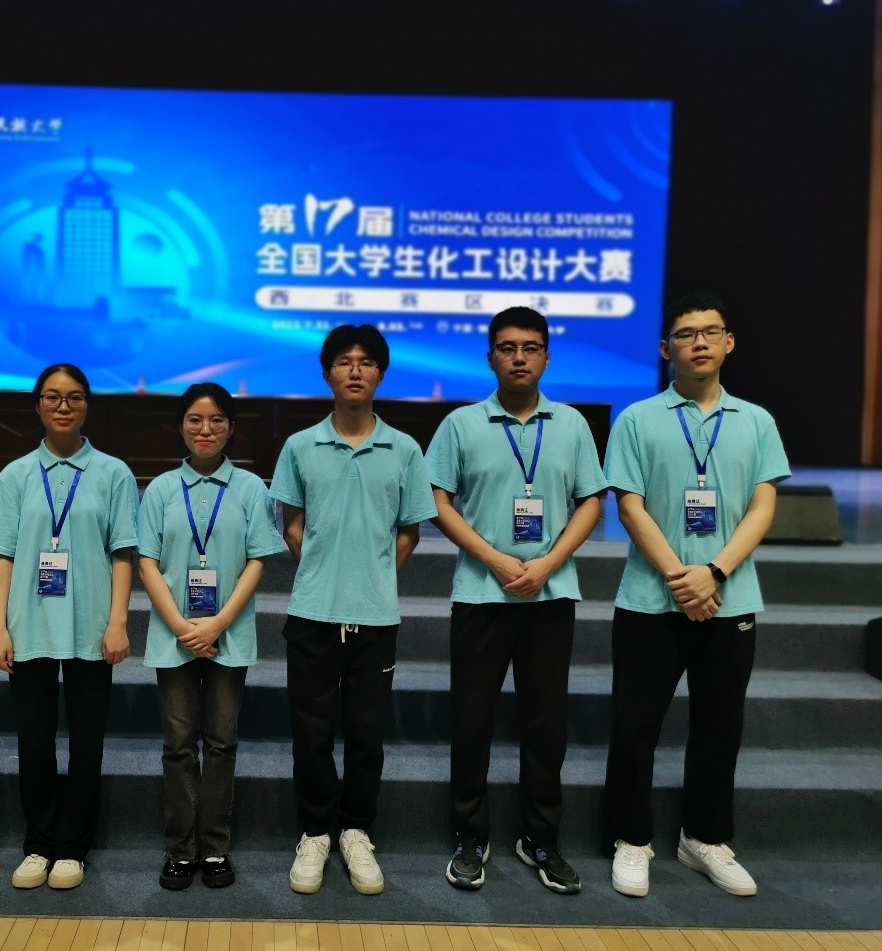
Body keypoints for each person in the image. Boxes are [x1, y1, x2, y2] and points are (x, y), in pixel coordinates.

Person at [601, 292, 790, 898]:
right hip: (650, 599)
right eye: (686, 334)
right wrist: (682, 578)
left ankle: (704, 838)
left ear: (729, 342)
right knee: (635, 726)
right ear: (666, 349)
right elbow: (629, 506)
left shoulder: (756, 421)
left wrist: (715, 572)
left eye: (711, 332)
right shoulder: (636, 419)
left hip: (730, 599)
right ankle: (632, 839)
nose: (700, 342)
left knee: (719, 726)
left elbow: (763, 505)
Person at [425, 307, 607, 895]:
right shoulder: (461, 424)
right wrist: (497, 560)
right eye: (507, 348)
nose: (519, 357)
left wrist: (548, 563)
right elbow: (437, 502)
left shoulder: (572, 424)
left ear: (547, 356)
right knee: (471, 721)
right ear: (490, 358)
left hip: (550, 595)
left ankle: (540, 838)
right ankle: (470, 835)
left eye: (531, 347)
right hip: (482, 593)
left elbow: (591, 501)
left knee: (545, 724)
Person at [268, 324, 437, 896]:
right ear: (327, 373)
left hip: (376, 618)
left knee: (367, 734)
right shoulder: (300, 446)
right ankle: (316, 831)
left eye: (366, 361)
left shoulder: (404, 449)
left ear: (380, 373)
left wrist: (372, 579)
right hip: (313, 613)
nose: (356, 370)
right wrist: (325, 572)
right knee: (311, 734)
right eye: (344, 361)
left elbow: (409, 531)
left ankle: (356, 831)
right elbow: (291, 524)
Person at [0, 363, 139, 891]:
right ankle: (39, 843)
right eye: (52, 397)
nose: (63, 406)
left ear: (87, 404)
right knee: (35, 742)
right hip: (30, 625)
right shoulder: (16, 475)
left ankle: (73, 847)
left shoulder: (113, 473)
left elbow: (123, 553)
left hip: (92, 625)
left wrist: (118, 622)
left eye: (73, 397)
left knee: (87, 743)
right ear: (38, 406)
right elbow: (0, 554)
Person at [137, 382, 285, 891]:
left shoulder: (251, 488)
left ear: (231, 428)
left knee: (221, 742)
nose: (206, 429)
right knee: (178, 745)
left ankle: (215, 846)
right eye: (195, 420)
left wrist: (217, 623)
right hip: (173, 635)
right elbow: (147, 562)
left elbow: (257, 560)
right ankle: (180, 849)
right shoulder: (160, 489)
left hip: (229, 634)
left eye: (217, 420)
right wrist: (182, 627)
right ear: (181, 427)